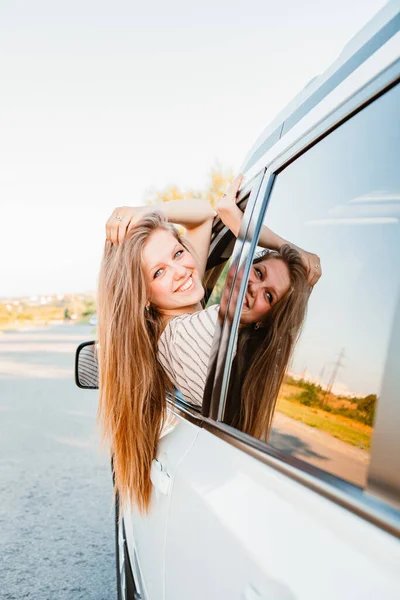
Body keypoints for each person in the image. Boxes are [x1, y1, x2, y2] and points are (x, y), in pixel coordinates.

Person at [98, 175, 320, 511]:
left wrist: (145, 211)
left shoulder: (171, 317)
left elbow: (203, 215)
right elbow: (305, 266)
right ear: (142, 296)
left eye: (177, 253)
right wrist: (284, 247)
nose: (182, 270)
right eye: (158, 272)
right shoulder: (192, 331)